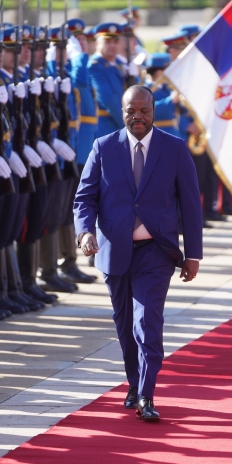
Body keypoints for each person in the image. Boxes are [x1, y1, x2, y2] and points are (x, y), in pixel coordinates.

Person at [74, 85, 203, 422]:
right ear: (122, 111)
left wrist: (193, 254)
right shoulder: (103, 147)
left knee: (148, 322)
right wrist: (85, 231)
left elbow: (190, 206)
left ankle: (147, 394)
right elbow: (84, 197)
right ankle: (134, 382)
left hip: (156, 252)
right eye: (132, 110)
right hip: (114, 251)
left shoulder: (173, 149)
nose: (138, 117)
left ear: (153, 111)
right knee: (126, 324)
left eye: (144, 110)